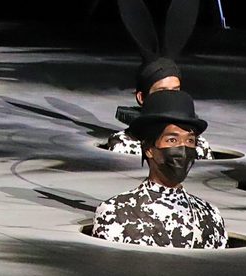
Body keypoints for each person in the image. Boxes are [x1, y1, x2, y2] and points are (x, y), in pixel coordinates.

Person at [89, 89, 227, 249]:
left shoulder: (210, 215)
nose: (182, 150)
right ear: (149, 149)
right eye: (172, 140)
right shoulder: (115, 212)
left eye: (190, 141)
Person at [104, 0, 210, 156]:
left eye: (175, 91)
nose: (170, 98)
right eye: (162, 91)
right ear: (141, 97)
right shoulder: (124, 146)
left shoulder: (199, 147)